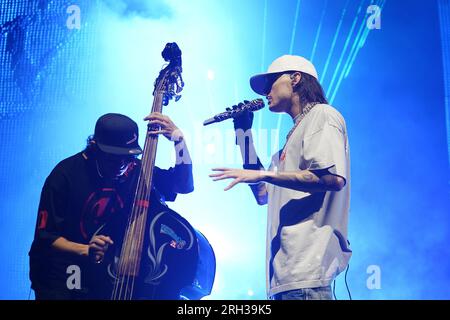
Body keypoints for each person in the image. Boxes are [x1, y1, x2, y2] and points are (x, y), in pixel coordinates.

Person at [210, 55, 351, 300]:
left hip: (307, 272)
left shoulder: (323, 115)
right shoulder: (291, 138)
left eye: (271, 83)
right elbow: (263, 194)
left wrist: (264, 173)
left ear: (295, 79)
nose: (266, 92)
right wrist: (243, 133)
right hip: (285, 277)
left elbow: (332, 179)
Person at [29, 112, 193, 300]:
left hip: (104, 277)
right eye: (113, 158)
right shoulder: (65, 175)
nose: (121, 165)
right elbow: (47, 238)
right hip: (63, 274)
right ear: (94, 147)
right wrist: (85, 249)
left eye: (127, 157)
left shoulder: (136, 170)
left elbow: (183, 186)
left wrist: (179, 140)